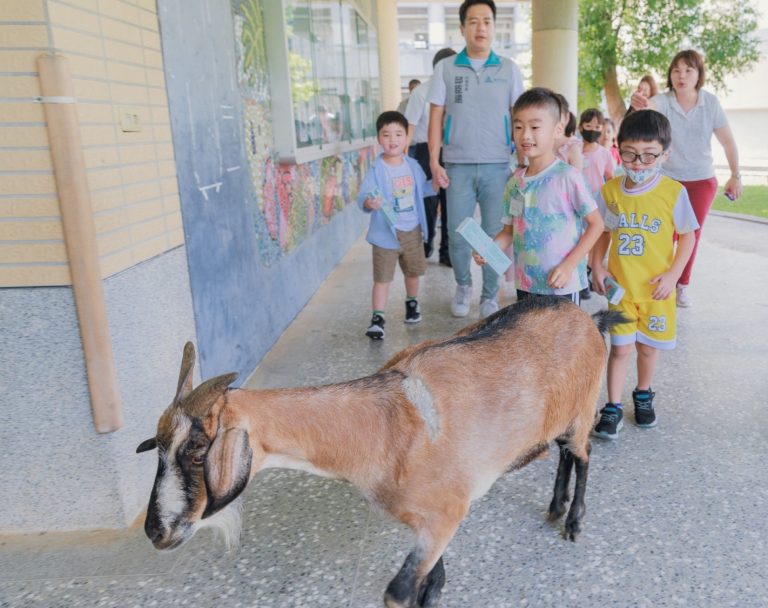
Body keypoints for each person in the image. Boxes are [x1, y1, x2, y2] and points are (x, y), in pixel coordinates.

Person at [590, 110, 699, 439]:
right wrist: (597, 265)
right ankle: (612, 406)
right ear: (618, 148)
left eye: (649, 155)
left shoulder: (673, 192)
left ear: (665, 154)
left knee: (648, 349)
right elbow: (603, 231)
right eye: (630, 154)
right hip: (621, 290)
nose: (638, 163)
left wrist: (673, 276)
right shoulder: (610, 191)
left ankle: (643, 393)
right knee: (620, 349)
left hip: (656, 292)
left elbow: (688, 236)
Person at [427, 0, 524, 318]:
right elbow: (436, 117)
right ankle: (463, 285)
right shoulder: (446, 68)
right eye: (473, 21)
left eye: (486, 21)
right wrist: (434, 162)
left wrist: (523, 161)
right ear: (462, 28)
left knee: (495, 233)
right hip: (457, 165)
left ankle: (489, 295)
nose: (480, 27)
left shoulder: (509, 69)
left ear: (494, 26)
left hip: (498, 165)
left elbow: (519, 117)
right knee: (457, 233)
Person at [630, 50, 742, 307]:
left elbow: (728, 142)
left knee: (690, 235)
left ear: (699, 74)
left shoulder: (710, 103)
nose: (681, 76)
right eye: (676, 70)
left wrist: (735, 176)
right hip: (667, 179)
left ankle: (681, 285)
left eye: (688, 70)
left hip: (701, 180)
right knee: (661, 234)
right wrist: (641, 106)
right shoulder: (663, 100)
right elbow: (649, 108)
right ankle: (656, 281)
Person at [472, 88, 604, 304]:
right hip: (526, 284)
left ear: (557, 129)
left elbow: (596, 224)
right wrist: (490, 249)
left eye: (534, 127)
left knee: (561, 329)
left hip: (562, 285)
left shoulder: (568, 176)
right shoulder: (514, 183)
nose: (525, 135)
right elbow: (508, 231)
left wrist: (569, 265)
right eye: (518, 127)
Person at [357, 111, 435, 340]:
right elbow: (363, 197)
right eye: (386, 134)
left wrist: (437, 184)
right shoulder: (376, 169)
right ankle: (377, 318)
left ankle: (412, 303)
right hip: (385, 235)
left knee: (413, 272)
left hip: (412, 231)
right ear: (379, 139)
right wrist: (369, 203)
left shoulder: (412, 165)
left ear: (406, 137)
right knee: (382, 277)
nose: (393, 140)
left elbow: (424, 189)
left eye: (398, 134)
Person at [404, 48, 457, 265]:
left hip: (452, 151)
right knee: (428, 202)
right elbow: (409, 128)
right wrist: (402, 162)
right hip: (425, 152)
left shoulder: (457, 92)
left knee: (451, 203)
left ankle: (447, 251)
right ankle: (426, 243)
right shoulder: (421, 93)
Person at [579, 108, 615, 195]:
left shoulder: (605, 153)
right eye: (588, 126)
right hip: (576, 196)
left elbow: (610, 178)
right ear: (580, 127)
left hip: (598, 197)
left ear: (601, 129)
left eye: (597, 127)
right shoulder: (573, 150)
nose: (593, 130)